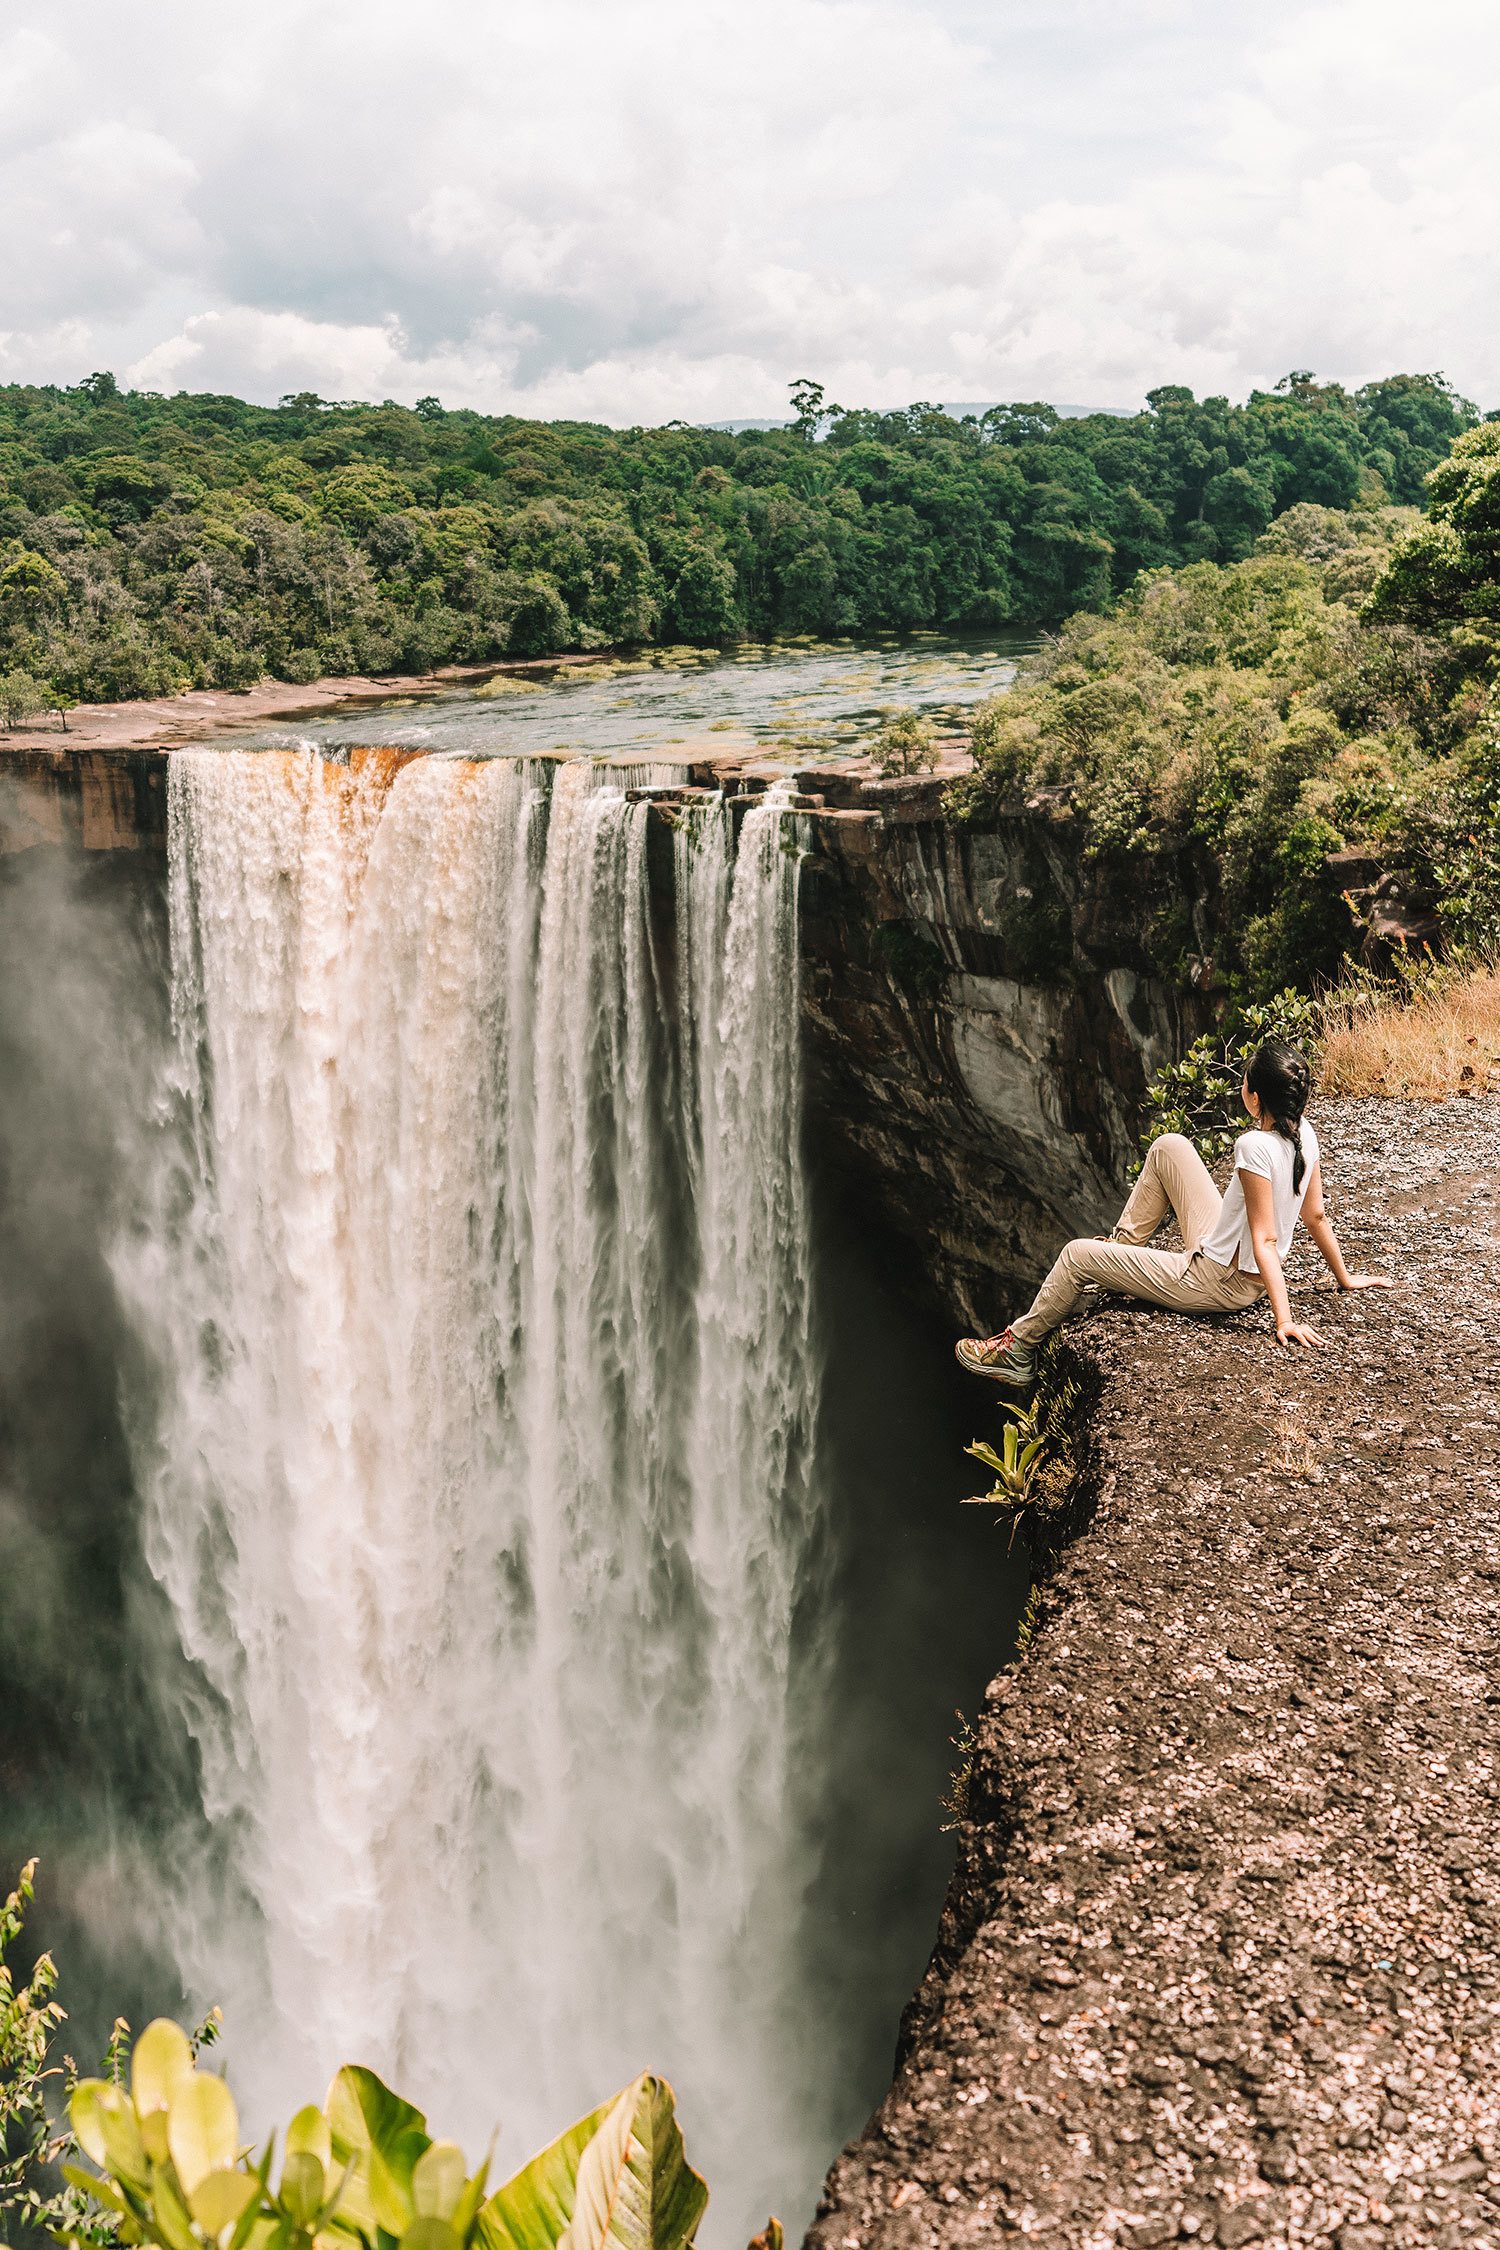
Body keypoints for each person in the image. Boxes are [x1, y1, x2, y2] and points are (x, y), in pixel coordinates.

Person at [956, 1038, 1391, 1393]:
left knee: (1074, 1256)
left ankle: (1017, 1349)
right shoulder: (1306, 1135)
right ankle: (1123, 1253)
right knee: (1170, 1146)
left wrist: (1285, 1319)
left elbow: (1266, 1241)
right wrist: (1346, 1278)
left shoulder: (1254, 1147)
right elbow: (1316, 1217)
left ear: (1254, 1098)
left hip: (1215, 1281)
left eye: (1244, 1081)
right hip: (1222, 1254)